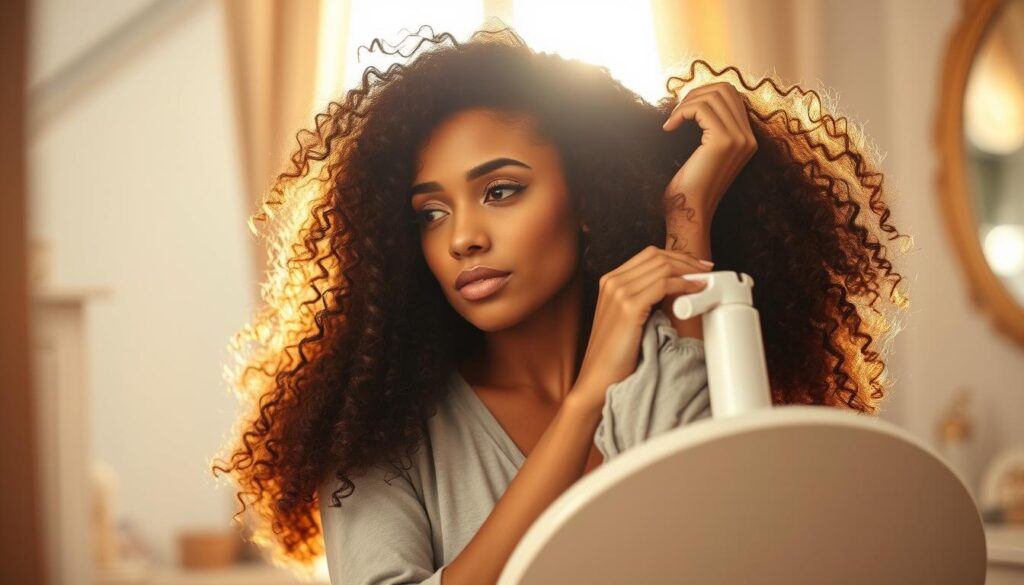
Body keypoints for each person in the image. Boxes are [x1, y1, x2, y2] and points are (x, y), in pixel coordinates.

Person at [211, 23, 911, 584]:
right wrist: (583, 403)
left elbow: (726, 535)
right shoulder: (369, 422)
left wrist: (687, 212)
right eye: (430, 212)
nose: (462, 238)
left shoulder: (659, 369)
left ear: (584, 201)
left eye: (501, 191)